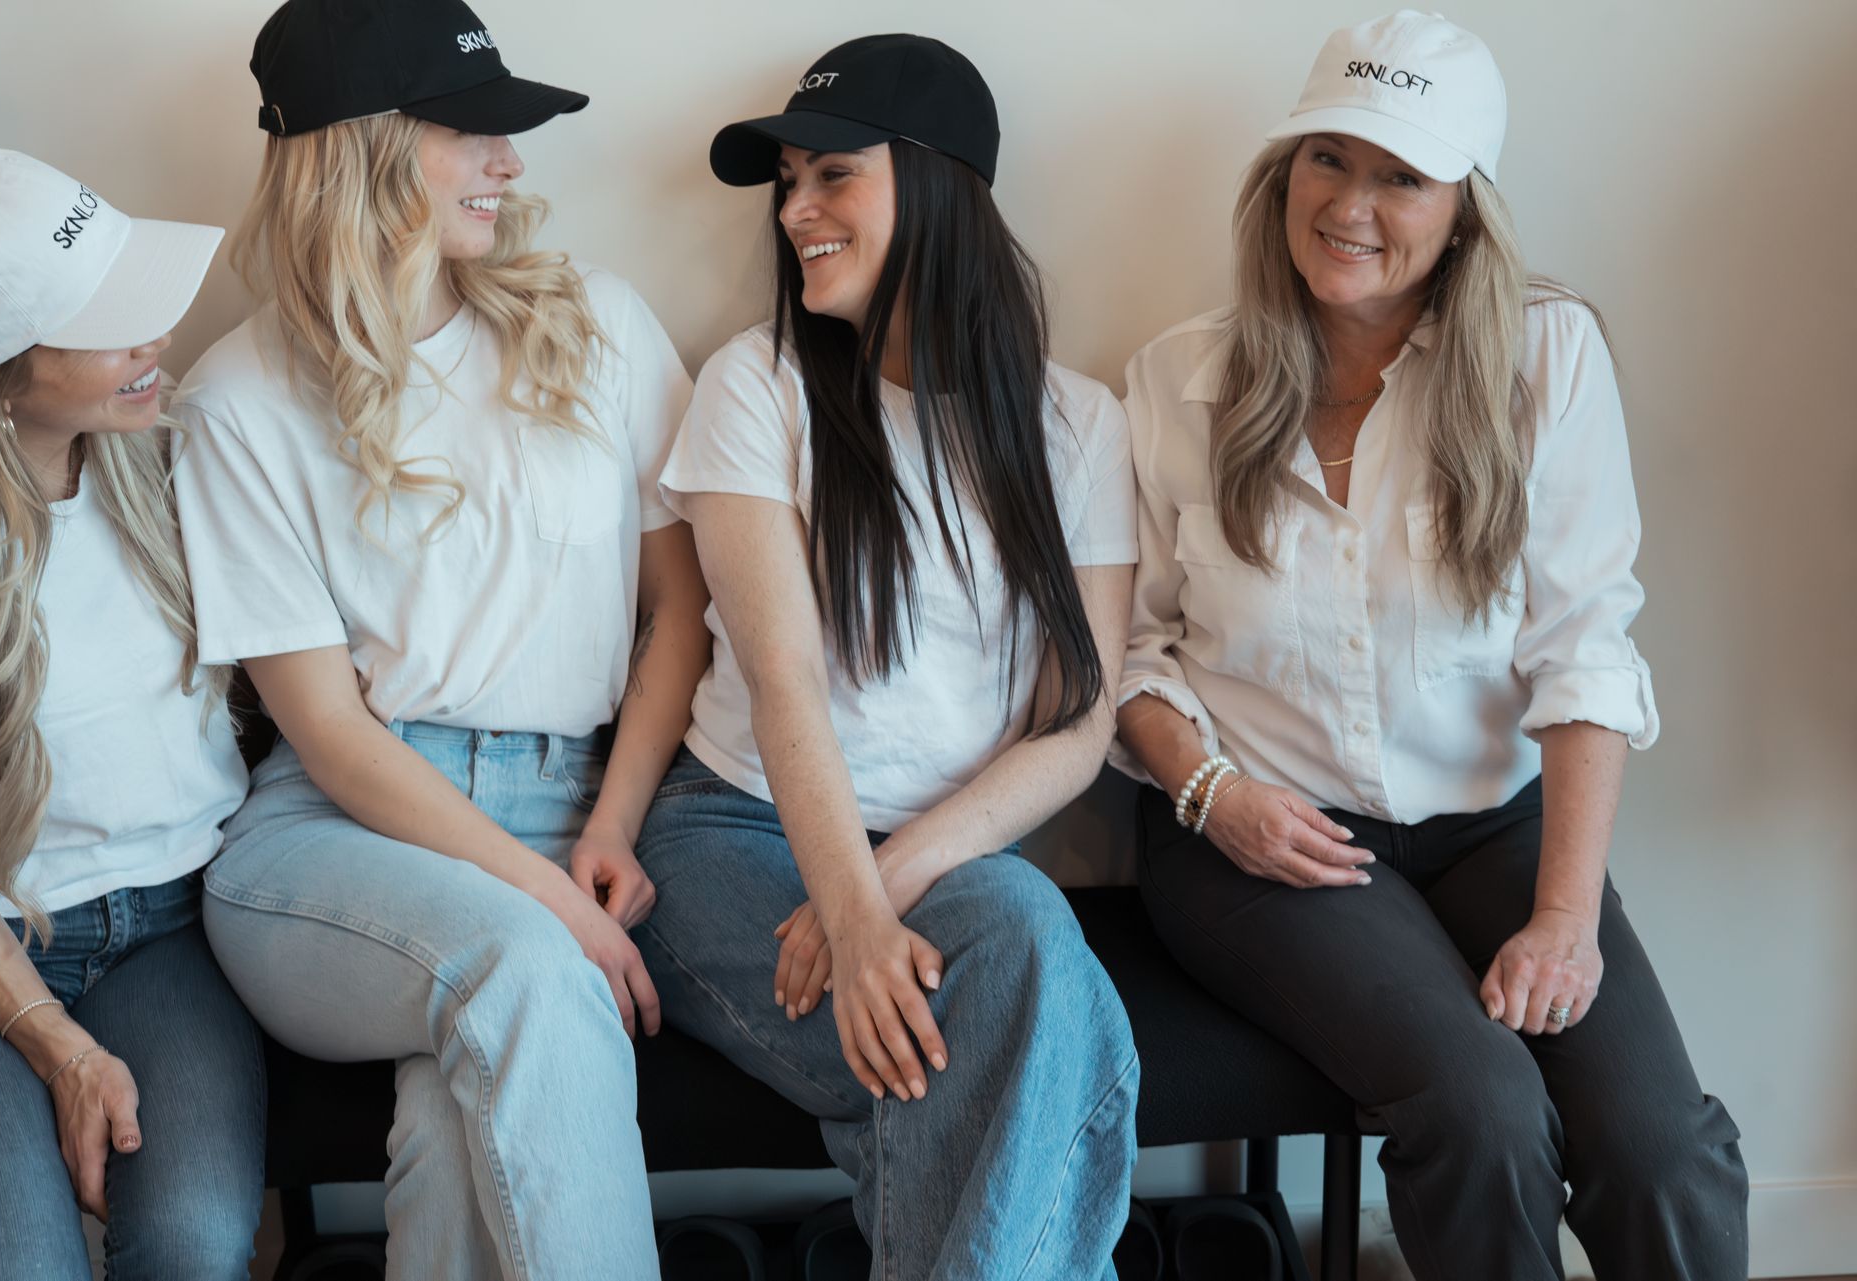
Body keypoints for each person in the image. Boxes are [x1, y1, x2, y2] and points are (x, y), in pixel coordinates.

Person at [1113, 11, 1748, 1280]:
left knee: (1657, 1148)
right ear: (1283, 173)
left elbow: (1585, 646)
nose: (1350, 204)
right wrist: (1214, 794)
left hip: (1493, 827)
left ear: (1463, 210)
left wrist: (1564, 918)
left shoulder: (1545, 357)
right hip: (1262, 835)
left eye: (1401, 175)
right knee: (1481, 1110)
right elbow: (1130, 656)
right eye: (1327, 159)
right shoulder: (1178, 379)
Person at [169, 1, 706, 1275]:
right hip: (341, 840)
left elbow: (682, 608)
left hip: (578, 809)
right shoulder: (237, 399)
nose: (510, 164)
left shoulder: (597, 322)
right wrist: (547, 904)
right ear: (360, 147)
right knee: (527, 971)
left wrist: (612, 825)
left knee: (456, 1135)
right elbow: (330, 734)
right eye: (471, 132)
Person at [634, 35, 1141, 1279]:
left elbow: (1079, 720)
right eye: (787, 184)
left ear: (937, 181)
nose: (794, 212)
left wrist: (881, 893)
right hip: (736, 835)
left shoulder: (1077, 424)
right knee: (1045, 1034)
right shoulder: (756, 387)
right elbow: (784, 678)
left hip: (947, 861)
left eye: (832, 176)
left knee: (1015, 957)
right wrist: (849, 915)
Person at [0, 149, 262, 1279]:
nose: (155, 339)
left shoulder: (179, 468)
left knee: (195, 1244)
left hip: (177, 927)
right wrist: (56, 1045)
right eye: (108, 327)